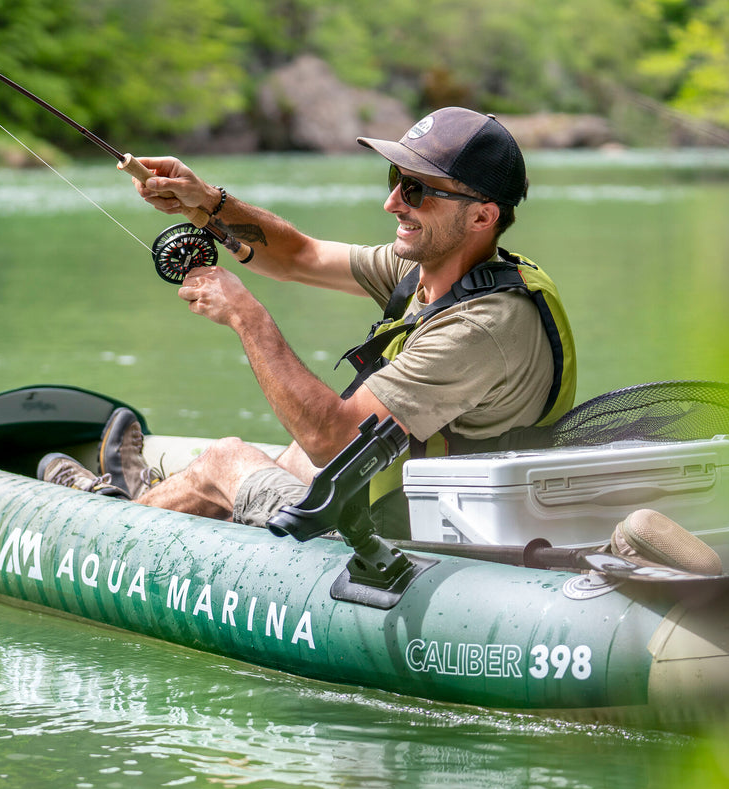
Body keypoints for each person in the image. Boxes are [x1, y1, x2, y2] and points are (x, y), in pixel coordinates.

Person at [39, 107, 577, 536]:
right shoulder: (433, 267)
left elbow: (335, 440)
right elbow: (298, 257)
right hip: (397, 499)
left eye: (415, 190)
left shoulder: (482, 325)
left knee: (228, 459)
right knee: (272, 459)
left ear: (482, 216)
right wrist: (204, 202)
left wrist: (246, 317)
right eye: (396, 178)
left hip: (404, 535)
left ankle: (104, 518)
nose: (392, 202)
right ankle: (130, 499)